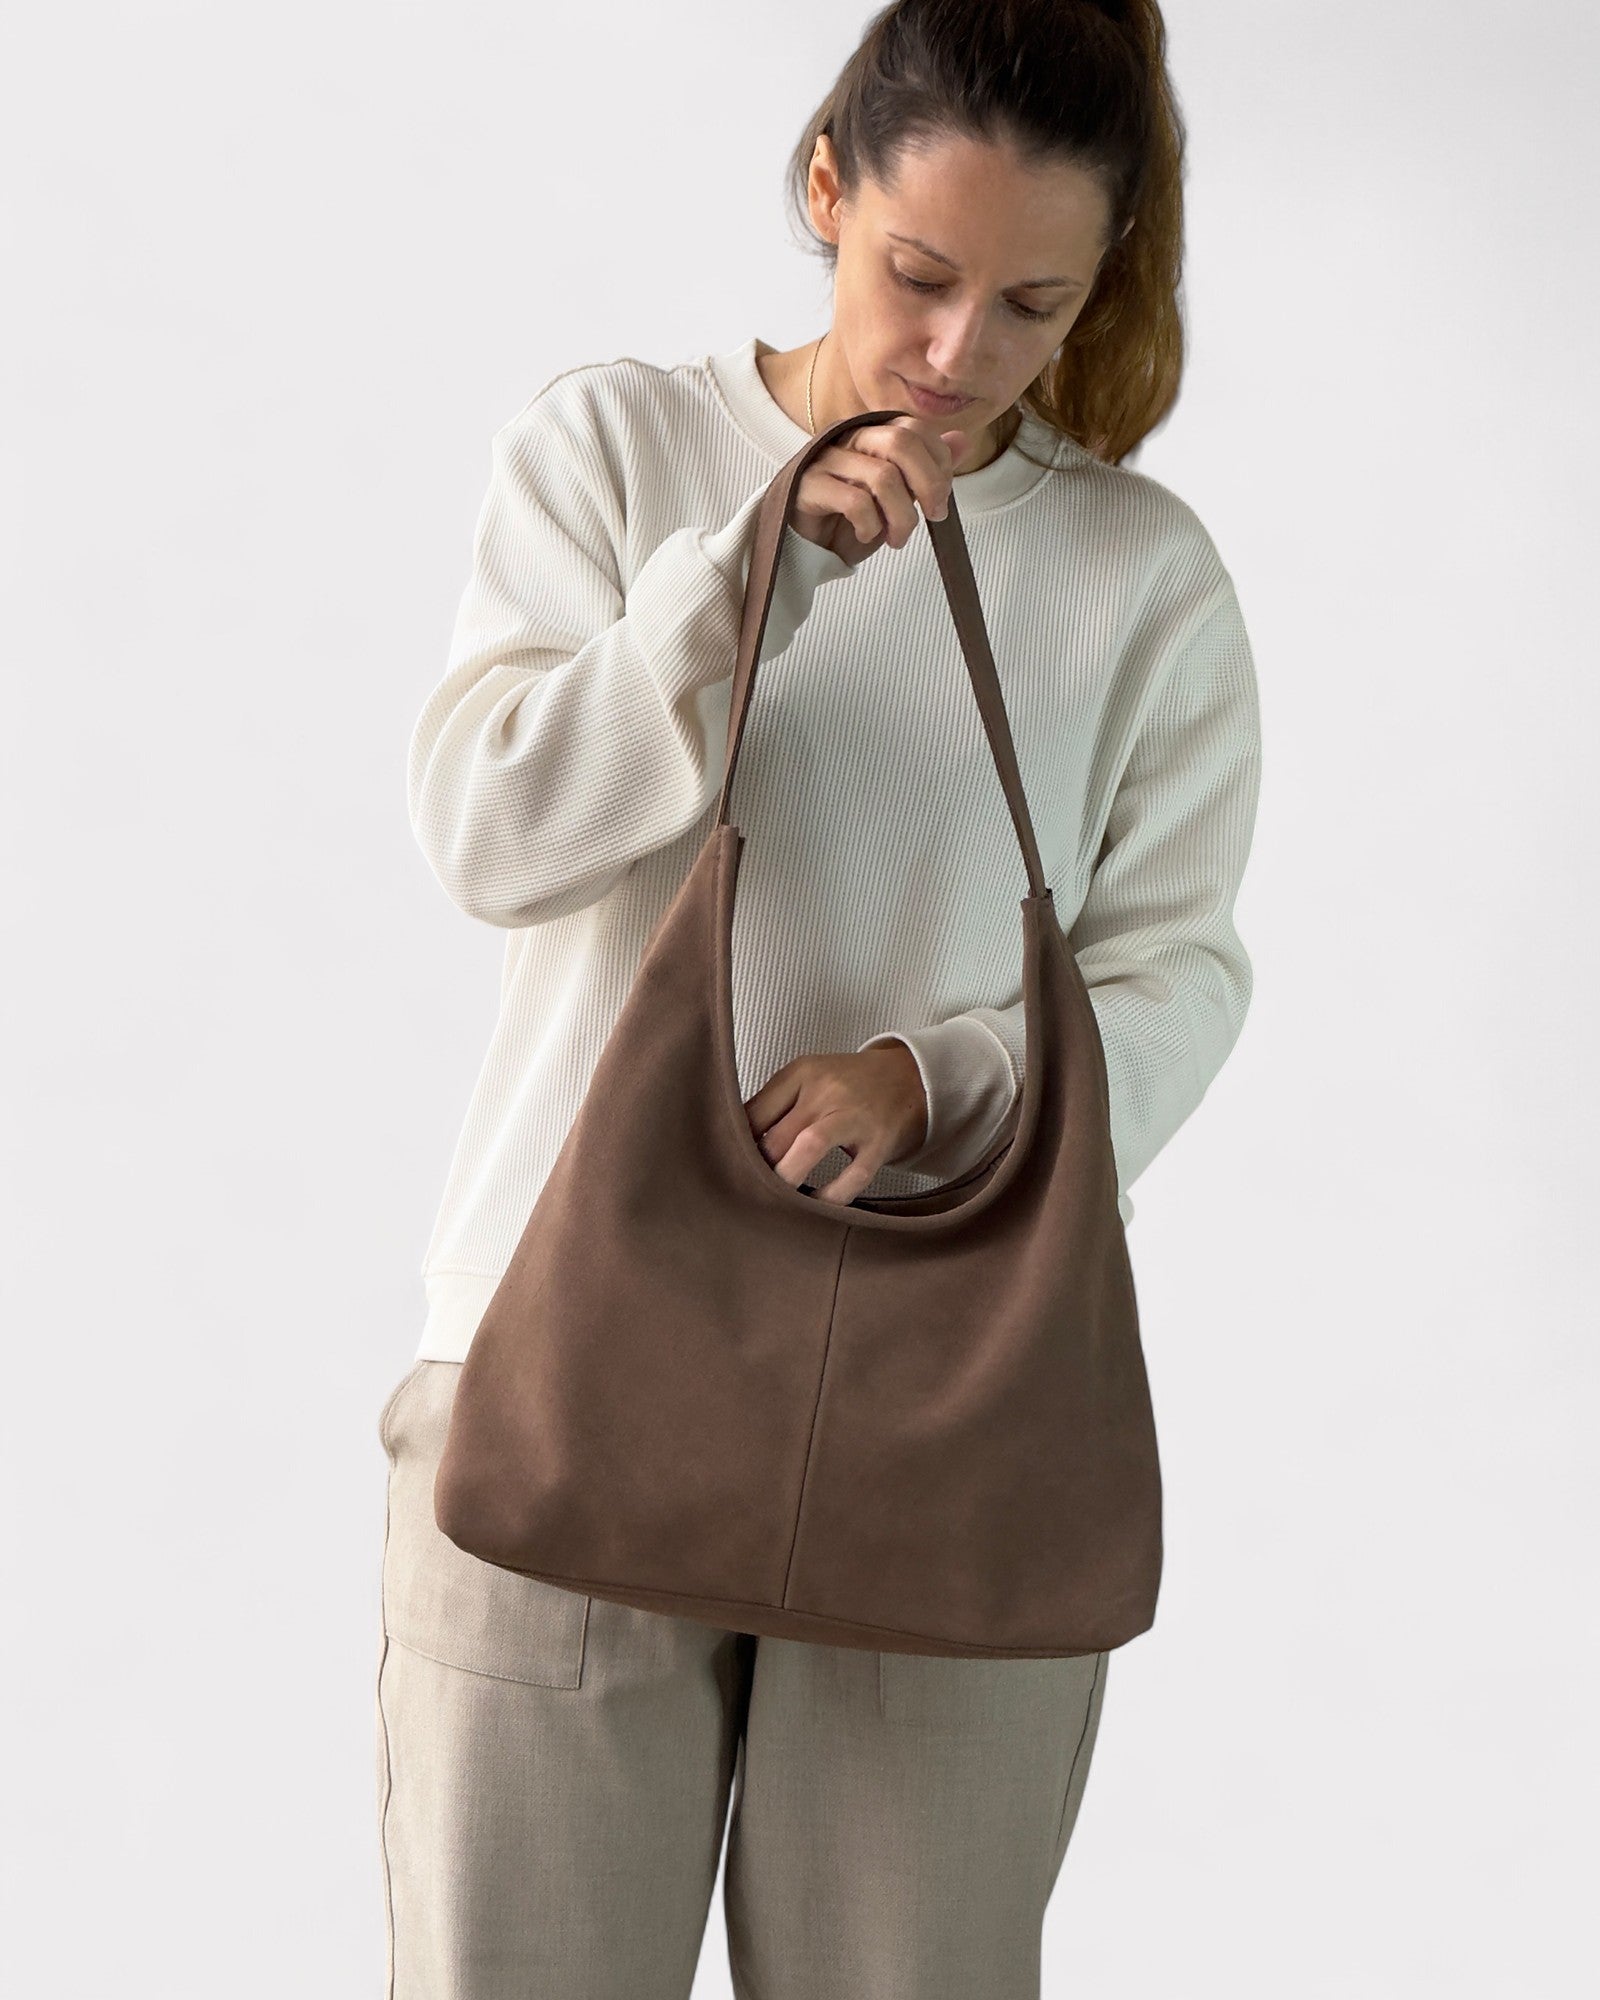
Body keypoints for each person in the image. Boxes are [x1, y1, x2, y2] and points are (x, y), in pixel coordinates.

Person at [373, 0, 1262, 1993]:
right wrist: (742, 582)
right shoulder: (614, 455)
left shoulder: (1140, 582)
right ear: (821, 189)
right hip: (561, 1350)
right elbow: (490, 832)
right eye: (916, 277)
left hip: (944, 1397)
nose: (959, 359)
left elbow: (1180, 978)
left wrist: (934, 1080)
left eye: (1031, 304)